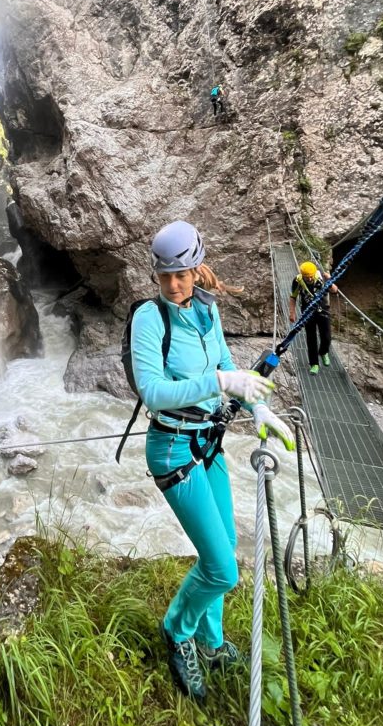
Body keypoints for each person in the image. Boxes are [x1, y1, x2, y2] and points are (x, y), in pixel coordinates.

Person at [131, 221, 294, 701]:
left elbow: (228, 367)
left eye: (181, 273)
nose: (174, 284)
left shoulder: (207, 310)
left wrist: (259, 407)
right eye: (165, 275)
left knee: (221, 549)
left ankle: (212, 641)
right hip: (173, 448)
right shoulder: (149, 318)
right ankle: (178, 632)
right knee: (223, 568)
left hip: (208, 443)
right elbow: (154, 393)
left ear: (196, 266)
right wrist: (222, 384)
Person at [289, 260, 338, 375]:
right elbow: (293, 297)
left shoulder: (322, 277)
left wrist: (330, 280)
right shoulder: (298, 281)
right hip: (308, 312)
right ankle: (314, 364)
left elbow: (335, 290)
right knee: (311, 338)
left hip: (323, 310)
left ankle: (323, 351)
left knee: (326, 336)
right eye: (307, 277)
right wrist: (292, 312)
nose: (309, 279)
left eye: (311, 277)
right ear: (302, 275)